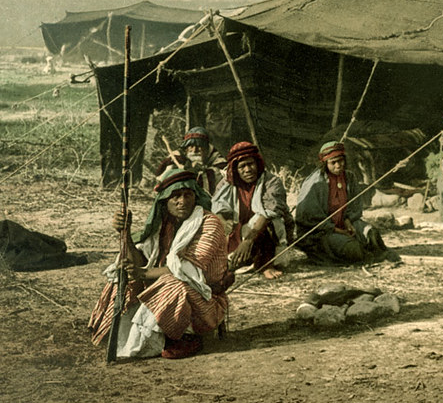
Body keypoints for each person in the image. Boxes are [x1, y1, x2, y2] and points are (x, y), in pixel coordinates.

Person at [88, 167, 231, 360]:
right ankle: (117, 334)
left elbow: (184, 271)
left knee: (172, 285)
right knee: (121, 279)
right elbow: (141, 262)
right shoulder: (163, 225)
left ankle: (182, 337)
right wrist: (125, 233)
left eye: (188, 195)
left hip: (205, 302)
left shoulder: (209, 224)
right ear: (164, 201)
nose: (183, 202)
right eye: (176, 197)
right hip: (166, 289)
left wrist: (142, 274)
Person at [293, 141, 391, 264]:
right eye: (333, 162)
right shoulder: (315, 183)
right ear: (324, 163)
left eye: (341, 160)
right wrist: (337, 230)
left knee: (371, 233)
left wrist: (348, 220)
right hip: (321, 233)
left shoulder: (349, 177)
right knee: (352, 248)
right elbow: (309, 218)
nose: (338, 165)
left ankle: (365, 252)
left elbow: (355, 206)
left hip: (345, 224)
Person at [211, 141, 293, 280]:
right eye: (242, 166)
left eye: (251, 164)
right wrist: (224, 222)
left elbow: (267, 215)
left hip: (266, 234)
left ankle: (267, 264)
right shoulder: (227, 184)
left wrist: (247, 241)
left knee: (269, 221)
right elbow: (218, 207)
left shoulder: (271, 182)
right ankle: (239, 259)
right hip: (240, 233)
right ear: (235, 169)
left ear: (258, 164)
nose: (248, 169)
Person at [156, 126, 226, 194]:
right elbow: (163, 178)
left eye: (199, 146)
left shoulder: (216, 157)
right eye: (191, 146)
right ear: (186, 149)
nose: (195, 150)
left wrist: (202, 171)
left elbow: (223, 173)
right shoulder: (176, 158)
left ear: (206, 149)